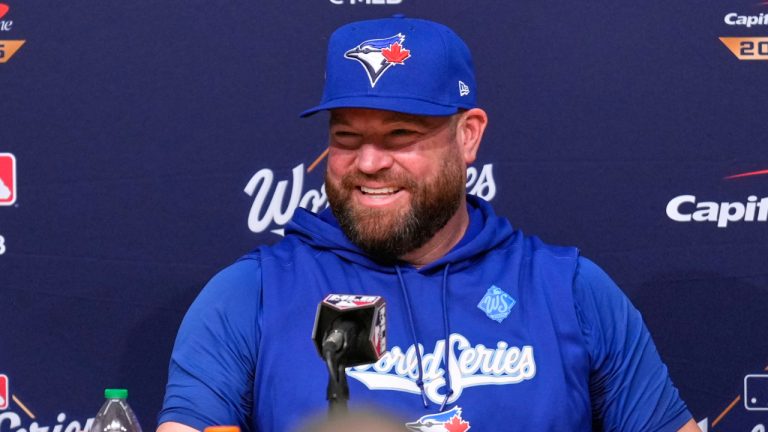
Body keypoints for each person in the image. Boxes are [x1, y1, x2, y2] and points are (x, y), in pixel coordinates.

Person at [157, 16, 701, 432]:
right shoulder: (250, 293)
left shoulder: (569, 290)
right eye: (347, 137)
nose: (369, 162)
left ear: (468, 136)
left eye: (400, 136)